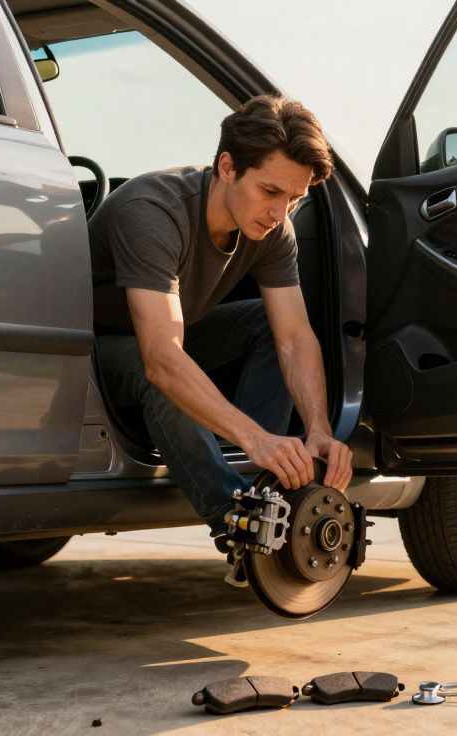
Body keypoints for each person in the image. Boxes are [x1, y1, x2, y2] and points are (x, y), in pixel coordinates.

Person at [90, 95, 354, 582]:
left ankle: (266, 489)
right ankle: (237, 522)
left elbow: (294, 337)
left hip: (172, 341)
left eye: (294, 200)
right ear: (227, 166)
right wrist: (254, 436)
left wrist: (317, 429)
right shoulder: (154, 211)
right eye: (270, 191)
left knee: (264, 324)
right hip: (90, 356)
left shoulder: (273, 230)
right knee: (166, 376)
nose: (279, 212)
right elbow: (162, 359)